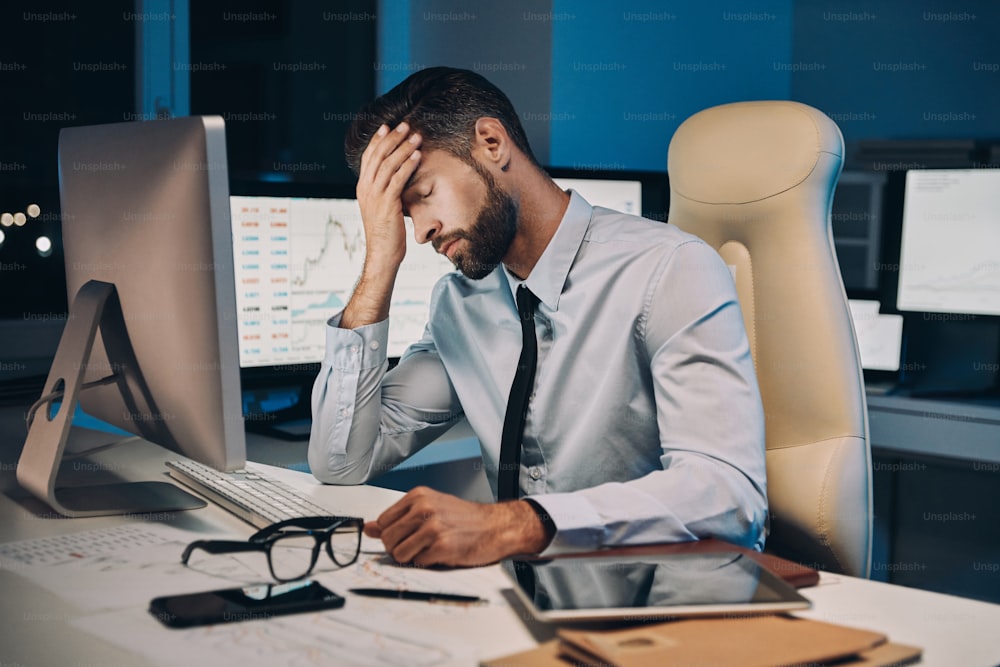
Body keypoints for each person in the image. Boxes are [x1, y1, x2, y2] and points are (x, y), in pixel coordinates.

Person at [309, 66, 767, 567]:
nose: (420, 231)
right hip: (515, 607)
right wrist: (378, 266)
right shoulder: (460, 307)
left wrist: (517, 523)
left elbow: (729, 495)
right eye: (401, 216)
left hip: (649, 610)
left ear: (490, 143)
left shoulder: (669, 269)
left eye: (423, 195)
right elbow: (341, 462)